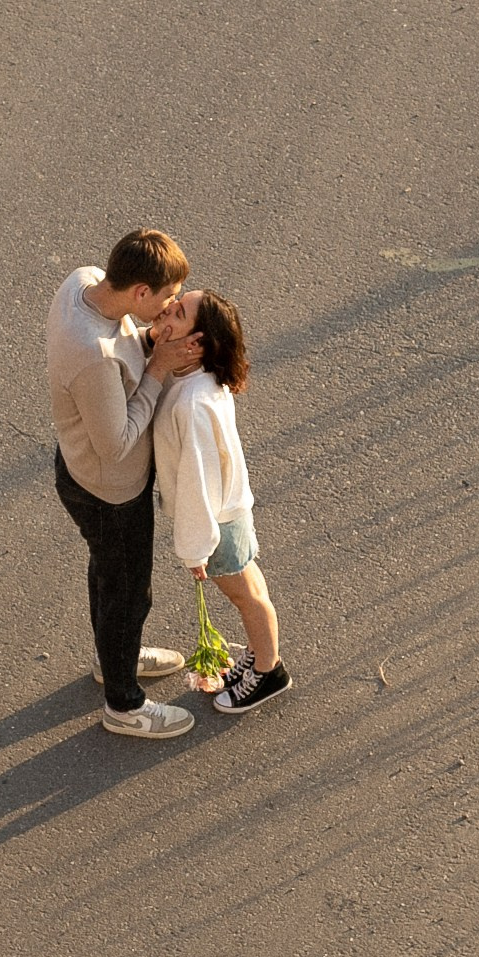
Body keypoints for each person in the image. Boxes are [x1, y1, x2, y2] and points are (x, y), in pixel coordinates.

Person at [47, 229, 201, 740]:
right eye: (165, 297)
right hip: (109, 489)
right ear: (140, 292)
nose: (171, 305)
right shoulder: (92, 355)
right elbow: (116, 443)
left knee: (108, 576)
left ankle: (114, 657)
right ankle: (124, 704)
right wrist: (157, 366)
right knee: (129, 593)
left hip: (78, 468)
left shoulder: (84, 282)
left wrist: (146, 342)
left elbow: (123, 345)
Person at [151, 290, 290, 716]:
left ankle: (268, 672)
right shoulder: (199, 380)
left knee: (246, 597)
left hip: (216, 520)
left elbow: (197, 481)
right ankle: (259, 656)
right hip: (230, 510)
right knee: (253, 591)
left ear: (195, 344)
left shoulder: (193, 403)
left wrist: (195, 548)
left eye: (176, 313)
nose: (164, 311)